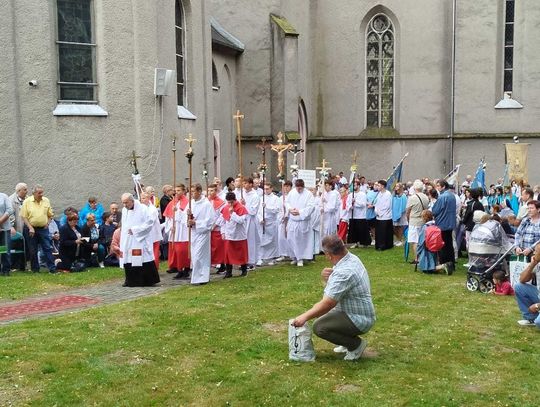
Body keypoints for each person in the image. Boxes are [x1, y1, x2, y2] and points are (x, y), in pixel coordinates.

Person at [291, 235, 376, 361]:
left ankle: (355, 345)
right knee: (321, 313)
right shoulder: (350, 258)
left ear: (328, 255)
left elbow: (328, 303)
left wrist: (304, 317)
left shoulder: (344, 272)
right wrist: (327, 278)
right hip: (355, 312)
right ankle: (345, 342)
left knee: (320, 327)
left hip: (359, 319)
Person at [119, 193, 160, 287]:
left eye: (126, 203)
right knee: (128, 258)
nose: (125, 205)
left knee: (141, 259)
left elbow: (149, 223)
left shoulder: (143, 209)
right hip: (128, 239)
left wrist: (136, 230)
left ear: (132, 200)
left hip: (140, 239)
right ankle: (129, 280)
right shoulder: (125, 210)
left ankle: (145, 281)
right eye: (123, 203)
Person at [20, 185, 57, 273]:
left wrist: (47, 223)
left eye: (42, 192)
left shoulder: (46, 200)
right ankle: (35, 269)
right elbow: (24, 217)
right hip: (31, 229)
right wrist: (30, 227)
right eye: (39, 193)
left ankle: (52, 268)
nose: (41, 194)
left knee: (47, 248)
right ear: (34, 193)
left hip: (43, 229)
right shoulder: (27, 201)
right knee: (33, 249)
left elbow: (50, 214)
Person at [184, 184, 214, 285]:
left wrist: (196, 223)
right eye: (190, 191)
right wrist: (187, 219)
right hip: (193, 233)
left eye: (193, 191)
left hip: (202, 233)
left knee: (199, 255)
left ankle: (202, 277)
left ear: (199, 191)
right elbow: (185, 219)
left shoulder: (206, 204)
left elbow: (210, 221)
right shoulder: (190, 203)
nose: (191, 194)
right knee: (194, 256)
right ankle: (198, 276)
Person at [286, 179, 315, 267]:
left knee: (301, 241)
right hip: (293, 220)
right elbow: (287, 202)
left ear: (303, 187)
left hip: (302, 221)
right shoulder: (292, 192)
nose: (299, 190)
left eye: (300, 188)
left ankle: (300, 258)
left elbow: (311, 207)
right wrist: (290, 209)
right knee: (291, 239)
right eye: (297, 188)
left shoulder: (308, 194)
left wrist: (300, 212)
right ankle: (295, 256)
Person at [220, 192, 249, 278]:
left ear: (235, 200)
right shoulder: (225, 208)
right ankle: (228, 272)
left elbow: (241, 221)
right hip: (229, 235)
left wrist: (233, 213)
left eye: (231, 202)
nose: (230, 204)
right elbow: (223, 222)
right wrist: (223, 232)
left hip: (239, 235)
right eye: (228, 202)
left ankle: (244, 270)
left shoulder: (241, 208)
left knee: (241, 253)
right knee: (228, 254)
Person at [431, 180, 457, 272]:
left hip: (442, 224)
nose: (437, 187)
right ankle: (451, 263)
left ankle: (444, 264)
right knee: (449, 245)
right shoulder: (452, 195)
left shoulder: (442, 197)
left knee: (443, 246)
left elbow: (435, 211)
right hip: (450, 223)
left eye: (438, 186)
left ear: (443, 187)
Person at [417, 210, 451, 275]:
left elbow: (421, 241)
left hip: (426, 249)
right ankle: (440, 266)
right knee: (432, 262)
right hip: (435, 248)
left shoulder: (425, 228)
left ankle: (443, 266)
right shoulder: (435, 225)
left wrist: (418, 251)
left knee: (427, 268)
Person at [514, 244, 540, 327]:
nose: (533, 254)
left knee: (539, 323)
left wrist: (537, 305)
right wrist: (532, 264)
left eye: (536, 252)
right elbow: (522, 279)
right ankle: (531, 318)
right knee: (519, 287)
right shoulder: (538, 263)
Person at [406, 180, 430, 264]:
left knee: (415, 241)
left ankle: (417, 258)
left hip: (414, 220)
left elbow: (408, 210)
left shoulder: (412, 198)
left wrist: (408, 219)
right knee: (422, 240)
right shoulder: (426, 197)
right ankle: (422, 257)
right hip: (423, 220)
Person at [258, 182, 280, 265]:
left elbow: (276, 210)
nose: (265, 190)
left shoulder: (275, 198)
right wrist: (260, 218)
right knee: (261, 240)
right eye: (264, 189)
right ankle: (261, 257)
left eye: (267, 189)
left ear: (271, 189)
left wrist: (267, 207)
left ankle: (271, 257)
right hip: (262, 222)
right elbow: (258, 211)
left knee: (271, 241)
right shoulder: (260, 198)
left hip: (271, 222)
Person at [240, 177, 261, 267]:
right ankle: (243, 259)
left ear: (251, 184)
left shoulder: (255, 196)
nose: (244, 185)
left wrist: (245, 205)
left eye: (246, 183)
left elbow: (253, 211)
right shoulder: (242, 194)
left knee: (250, 241)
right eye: (243, 183)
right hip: (242, 219)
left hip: (251, 220)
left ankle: (251, 261)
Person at [140, 192, 163, 269]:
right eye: (141, 198)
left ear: (148, 199)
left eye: (143, 198)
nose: (141, 200)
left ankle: (154, 267)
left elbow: (150, 221)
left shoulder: (152, 209)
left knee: (154, 251)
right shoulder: (142, 208)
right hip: (146, 234)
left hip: (153, 233)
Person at [347, 179, 371, 248]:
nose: (353, 187)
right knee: (354, 230)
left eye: (354, 185)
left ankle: (364, 242)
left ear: (358, 186)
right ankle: (355, 242)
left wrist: (355, 202)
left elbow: (362, 204)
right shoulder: (350, 195)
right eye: (353, 185)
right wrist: (350, 206)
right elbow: (348, 203)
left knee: (362, 229)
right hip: (353, 215)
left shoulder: (362, 194)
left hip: (360, 215)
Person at [276, 180, 293, 261]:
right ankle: (282, 254)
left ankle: (291, 254)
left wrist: (287, 215)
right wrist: (282, 216)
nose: (286, 188)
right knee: (281, 237)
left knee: (290, 237)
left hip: (290, 219)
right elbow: (278, 209)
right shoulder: (280, 198)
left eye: (287, 186)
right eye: (284, 186)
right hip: (282, 220)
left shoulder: (292, 196)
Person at [374, 180, 393, 251]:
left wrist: (381, 213)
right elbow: (376, 203)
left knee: (384, 232)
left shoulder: (388, 194)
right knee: (379, 232)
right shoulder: (379, 194)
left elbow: (387, 205)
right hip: (378, 215)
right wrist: (376, 211)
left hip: (385, 216)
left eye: (378, 185)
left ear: (382, 186)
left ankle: (384, 245)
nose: (377, 187)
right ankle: (378, 244)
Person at [0, 191, 14, 276]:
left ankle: (6, 270)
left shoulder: (3, 196)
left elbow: (10, 210)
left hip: (4, 228)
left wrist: (0, 221)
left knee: (4, 249)